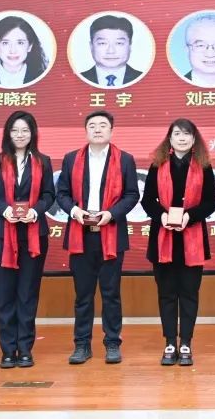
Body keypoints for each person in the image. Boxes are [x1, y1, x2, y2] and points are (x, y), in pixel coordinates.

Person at [56, 110, 140, 366]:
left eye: (103, 125)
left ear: (111, 131)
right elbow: (62, 193)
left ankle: (112, 343)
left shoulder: (125, 159)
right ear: (86, 131)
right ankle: (82, 345)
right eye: (92, 125)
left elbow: (132, 195)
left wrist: (111, 214)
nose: (97, 129)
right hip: (80, 234)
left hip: (111, 233)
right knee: (83, 294)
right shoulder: (72, 159)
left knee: (111, 293)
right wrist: (75, 211)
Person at [0, 110, 55, 369]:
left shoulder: (43, 161)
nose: (20, 135)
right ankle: (7, 350)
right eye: (15, 130)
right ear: (8, 134)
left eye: (25, 130)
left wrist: (35, 210)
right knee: (4, 294)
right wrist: (4, 210)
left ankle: (25, 349)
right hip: (2, 235)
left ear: (32, 133)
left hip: (34, 234)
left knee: (27, 293)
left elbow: (49, 194)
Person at [141, 119, 215, 366]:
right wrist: (162, 216)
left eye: (187, 134)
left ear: (194, 139)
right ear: (170, 138)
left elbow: (211, 202)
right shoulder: (158, 165)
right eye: (177, 134)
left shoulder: (204, 166)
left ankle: (185, 342)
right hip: (162, 238)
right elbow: (147, 200)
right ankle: (169, 343)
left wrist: (189, 216)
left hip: (192, 239)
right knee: (166, 294)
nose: (182, 138)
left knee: (189, 293)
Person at [0, 15, 49, 88]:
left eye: (20, 43)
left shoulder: (42, 77)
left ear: (30, 46)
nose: (13, 51)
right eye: (5, 43)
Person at [79, 14, 143, 88]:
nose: (111, 51)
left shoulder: (145, 79)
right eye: (102, 43)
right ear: (91, 46)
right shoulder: (77, 79)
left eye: (119, 43)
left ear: (130, 45)